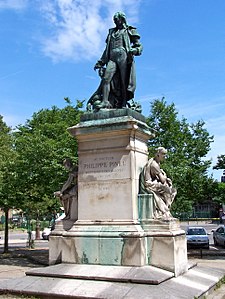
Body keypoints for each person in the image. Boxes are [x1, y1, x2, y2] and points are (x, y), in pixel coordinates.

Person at [93, 11, 143, 109]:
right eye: (114, 20)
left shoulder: (129, 30)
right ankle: (105, 102)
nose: (115, 22)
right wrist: (101, 62)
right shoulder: (111, 32)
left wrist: (135, 50)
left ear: (122, 19)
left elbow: (139, 45)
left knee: (123, 81)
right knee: (106, 78)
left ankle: (123, 103)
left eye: (117, 20)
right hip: (112, 57)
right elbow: (106, 49)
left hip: (123, 55)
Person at [139, 147, 177, 220]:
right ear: (158, 154)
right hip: (149, 184)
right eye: (163, 154)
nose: (164, 156)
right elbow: (162, 180)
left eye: (165, 154)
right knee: (169, 190)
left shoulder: (155, 162)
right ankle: (165, 211)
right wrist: (165, 176)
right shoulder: (154, 165)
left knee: (171, 189)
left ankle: (165, 210)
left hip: (152, 182)